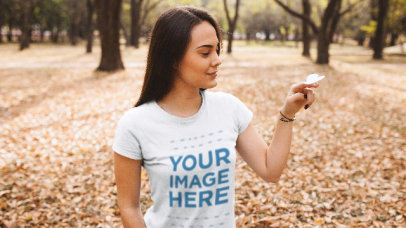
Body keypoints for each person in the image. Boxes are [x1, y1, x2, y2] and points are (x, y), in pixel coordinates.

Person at [112, 6, 318, 228]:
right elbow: (129, 207)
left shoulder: (228, 109)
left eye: (217, 49)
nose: (217, 59)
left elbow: (271, 170)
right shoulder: (135, 124)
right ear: (172, 58)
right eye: (205, 52)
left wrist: (287, 115)